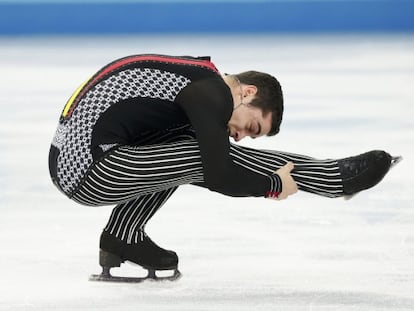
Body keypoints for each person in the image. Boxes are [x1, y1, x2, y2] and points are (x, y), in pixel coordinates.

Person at [48, 54, 395, 280]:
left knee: (191, 144)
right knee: (202, 154)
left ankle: (122, 237)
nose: (242, 136)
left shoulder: (199, 81)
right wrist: (272, 186)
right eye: (252, 126)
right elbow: (218, 173)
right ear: (247, 92)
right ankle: (333, 177)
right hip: (87, 169)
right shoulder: (210, 92)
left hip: (81, 160)